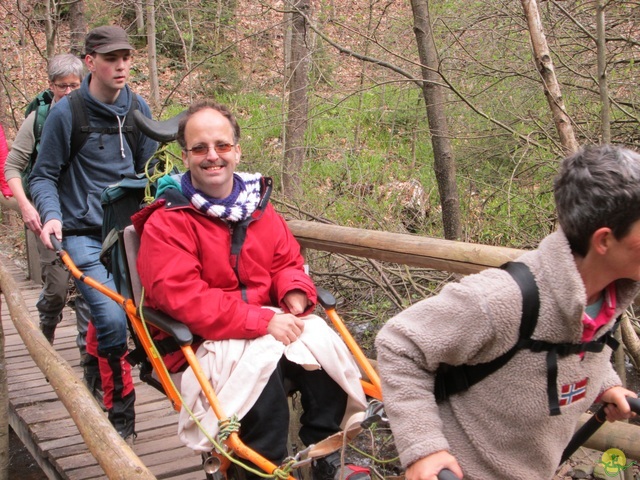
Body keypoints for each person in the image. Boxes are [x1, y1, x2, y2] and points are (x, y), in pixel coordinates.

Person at [132, 100, 370, 480]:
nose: (213, 156)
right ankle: (261, 469)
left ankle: (325, 453)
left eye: (222, 146)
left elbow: (287, 261)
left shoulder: (258, 206)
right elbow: (181, 297)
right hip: (199, 340)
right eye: (200, 148)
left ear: (237, 150)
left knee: (325, 357)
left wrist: (294, 290)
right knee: (265, 375)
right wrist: (260, 321)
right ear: (186, 156)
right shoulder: (168, 221)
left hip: (264, 322)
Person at [375, 144, 640, 480]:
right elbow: (400, 344)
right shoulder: (501, 300)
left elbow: (574, 347)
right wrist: (424, 449)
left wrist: (606, 384)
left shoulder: (610, 295)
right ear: (604, 241)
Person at [29, 26, 158, 441]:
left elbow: (148, 174)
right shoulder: (68, 113)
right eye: (110, 58)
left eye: (126, 57)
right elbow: (43, 175)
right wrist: (51, 216)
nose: (121, 65)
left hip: (129, 233)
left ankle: (93, 366)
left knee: (151, 312)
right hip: (83, 232)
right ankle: (121, 416)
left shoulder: (139, 109)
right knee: (109, 316)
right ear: (90, 62)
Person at [3, 54, 95, 368]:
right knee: (56, 288)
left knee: (87, 290)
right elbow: (12, 167)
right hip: (46, 213)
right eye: (61, 86)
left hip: (85, 214)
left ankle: (88, 366)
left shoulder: (95, 112)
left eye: (74, 85)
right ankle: (47, 325)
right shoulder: (39, 119)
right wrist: (26, 206)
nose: (69, 92)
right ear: (50, 85)